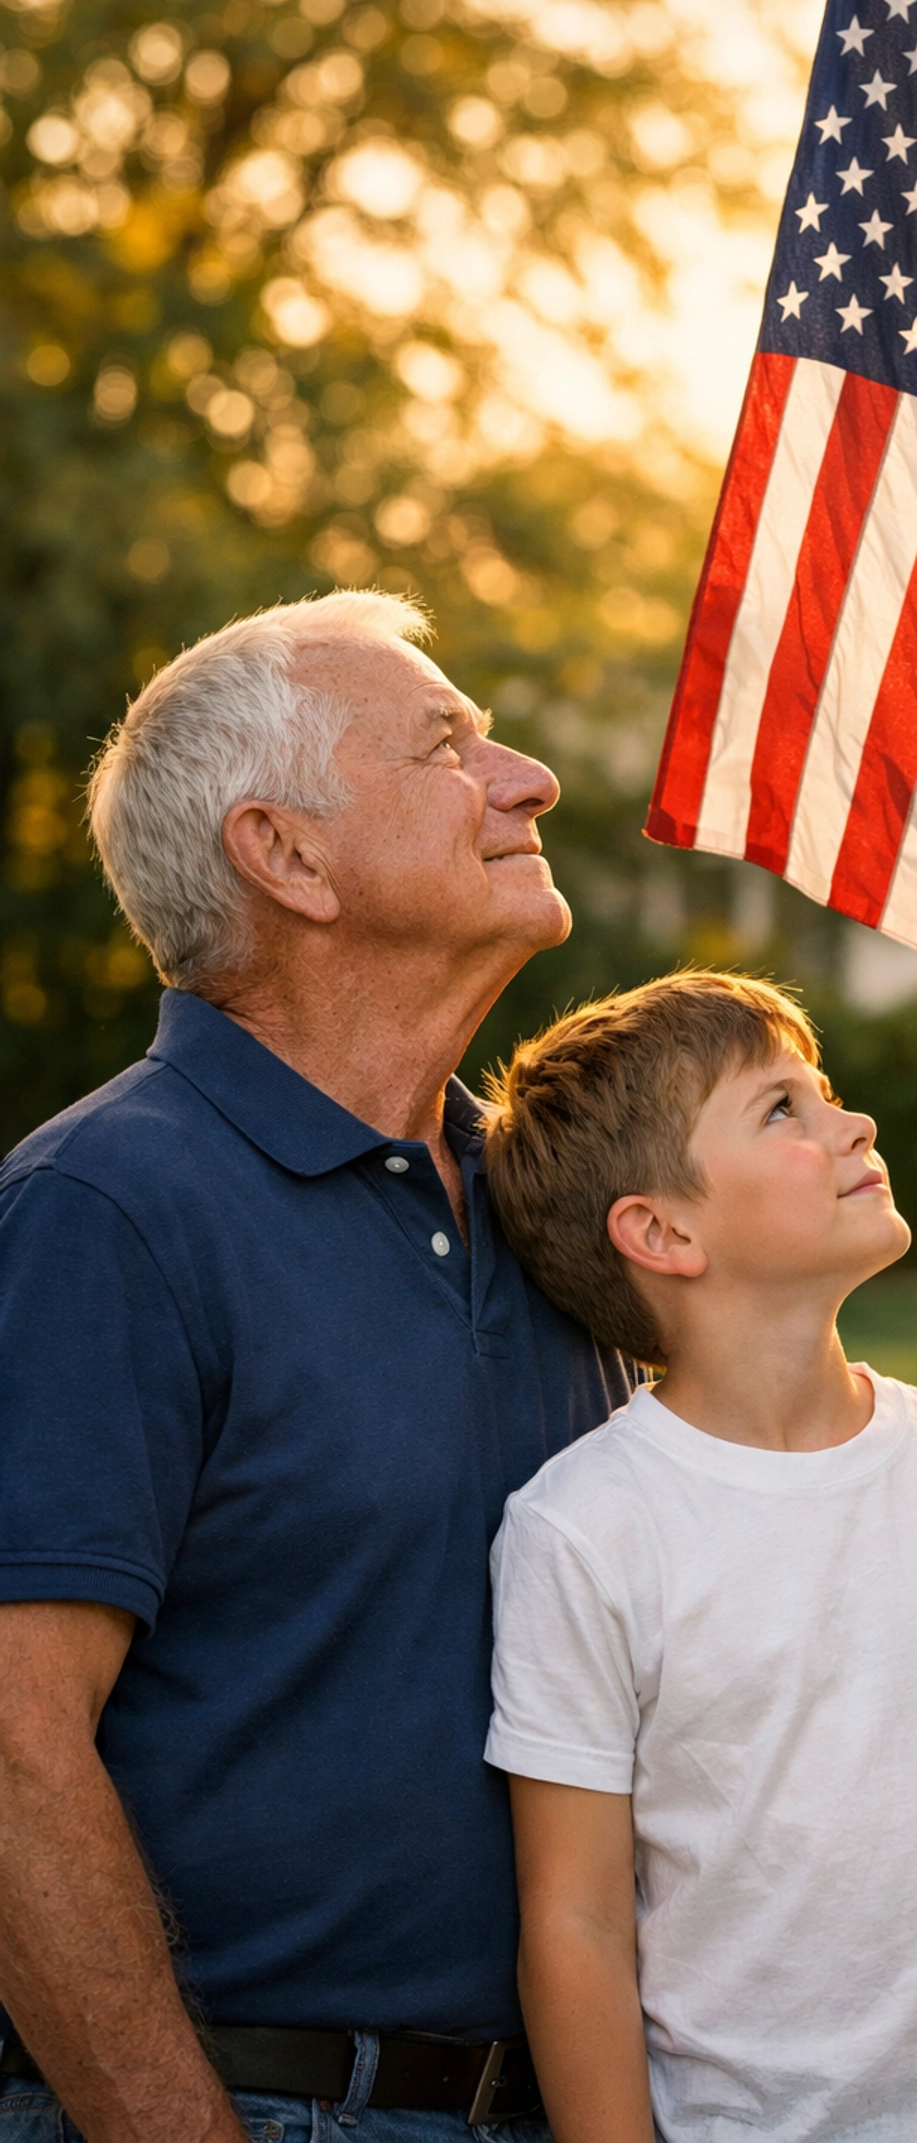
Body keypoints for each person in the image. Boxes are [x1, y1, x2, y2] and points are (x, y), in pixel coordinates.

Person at [0, 591, 632, 2143]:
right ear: (285, 856)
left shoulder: (544, 1213)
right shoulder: (106, 1210)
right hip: (258, 2109)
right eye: (447, 748)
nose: (528, 777)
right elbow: (12, 1754)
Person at [479, 971, 917, 2143]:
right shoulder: (581, 1531)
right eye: (783, 1109)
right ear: (661, 1231)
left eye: (826, 1089)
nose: (855, 1123)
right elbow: (577, 1924)